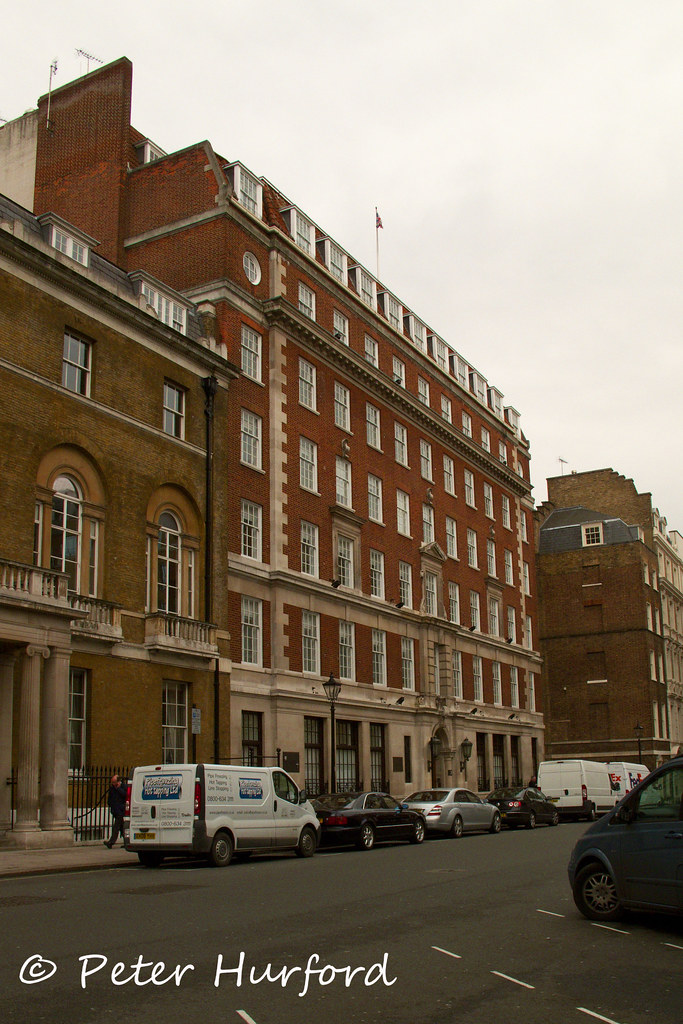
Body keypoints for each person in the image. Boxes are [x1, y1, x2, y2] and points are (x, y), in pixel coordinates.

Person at [104, 774, 126, 848]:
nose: (113, 784)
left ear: (118, 781)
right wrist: (110, 804)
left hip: (121, 810)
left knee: (116, 826)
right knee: (121, 827)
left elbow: (125, 795)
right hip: (115, 810)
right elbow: (110, 798)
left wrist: (118, 788)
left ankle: (111, 842)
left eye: (114, 782)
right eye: (112, 782)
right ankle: (127, 842)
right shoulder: (112, 788)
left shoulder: (123, 786)